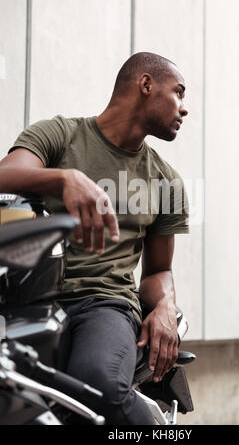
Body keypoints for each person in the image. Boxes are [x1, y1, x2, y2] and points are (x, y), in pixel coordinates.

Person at [0, 52, 189, 424]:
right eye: (179, 93)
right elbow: (4, 175)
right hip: (27, 299)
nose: (184, 109)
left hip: (104, 303)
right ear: (146, 85)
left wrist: (165, 304)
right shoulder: (58, 134)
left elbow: (158, 270)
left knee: (99, 385)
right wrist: (64, 178)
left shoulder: (168, 182)